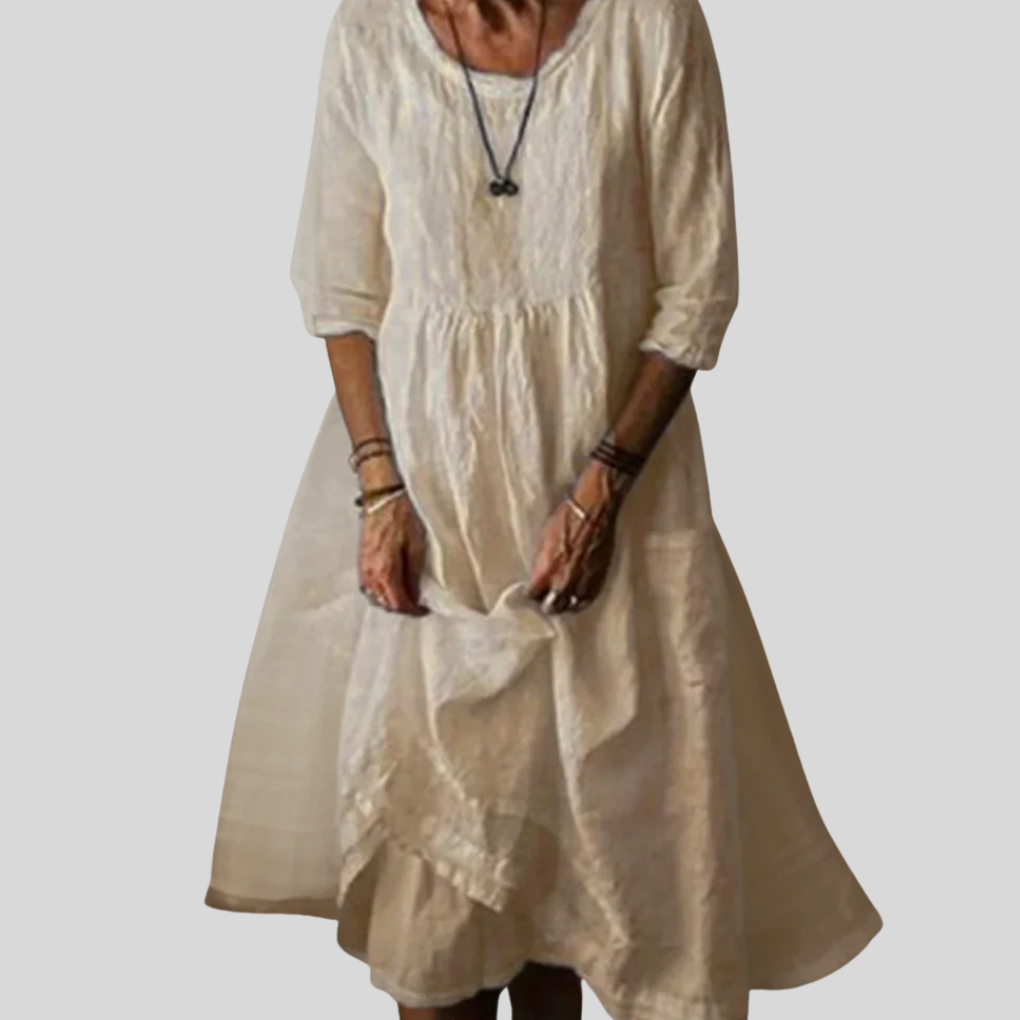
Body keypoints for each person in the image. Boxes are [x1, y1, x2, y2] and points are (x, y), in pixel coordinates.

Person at [204, 1, 883, 1018]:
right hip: (435, 530)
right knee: (437, 920)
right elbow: (342, 292)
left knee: (582, 898)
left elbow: (699, 287)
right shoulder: (371, 33)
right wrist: (380, 489)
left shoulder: (650, 25)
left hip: (618, 524)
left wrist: (602, 489)